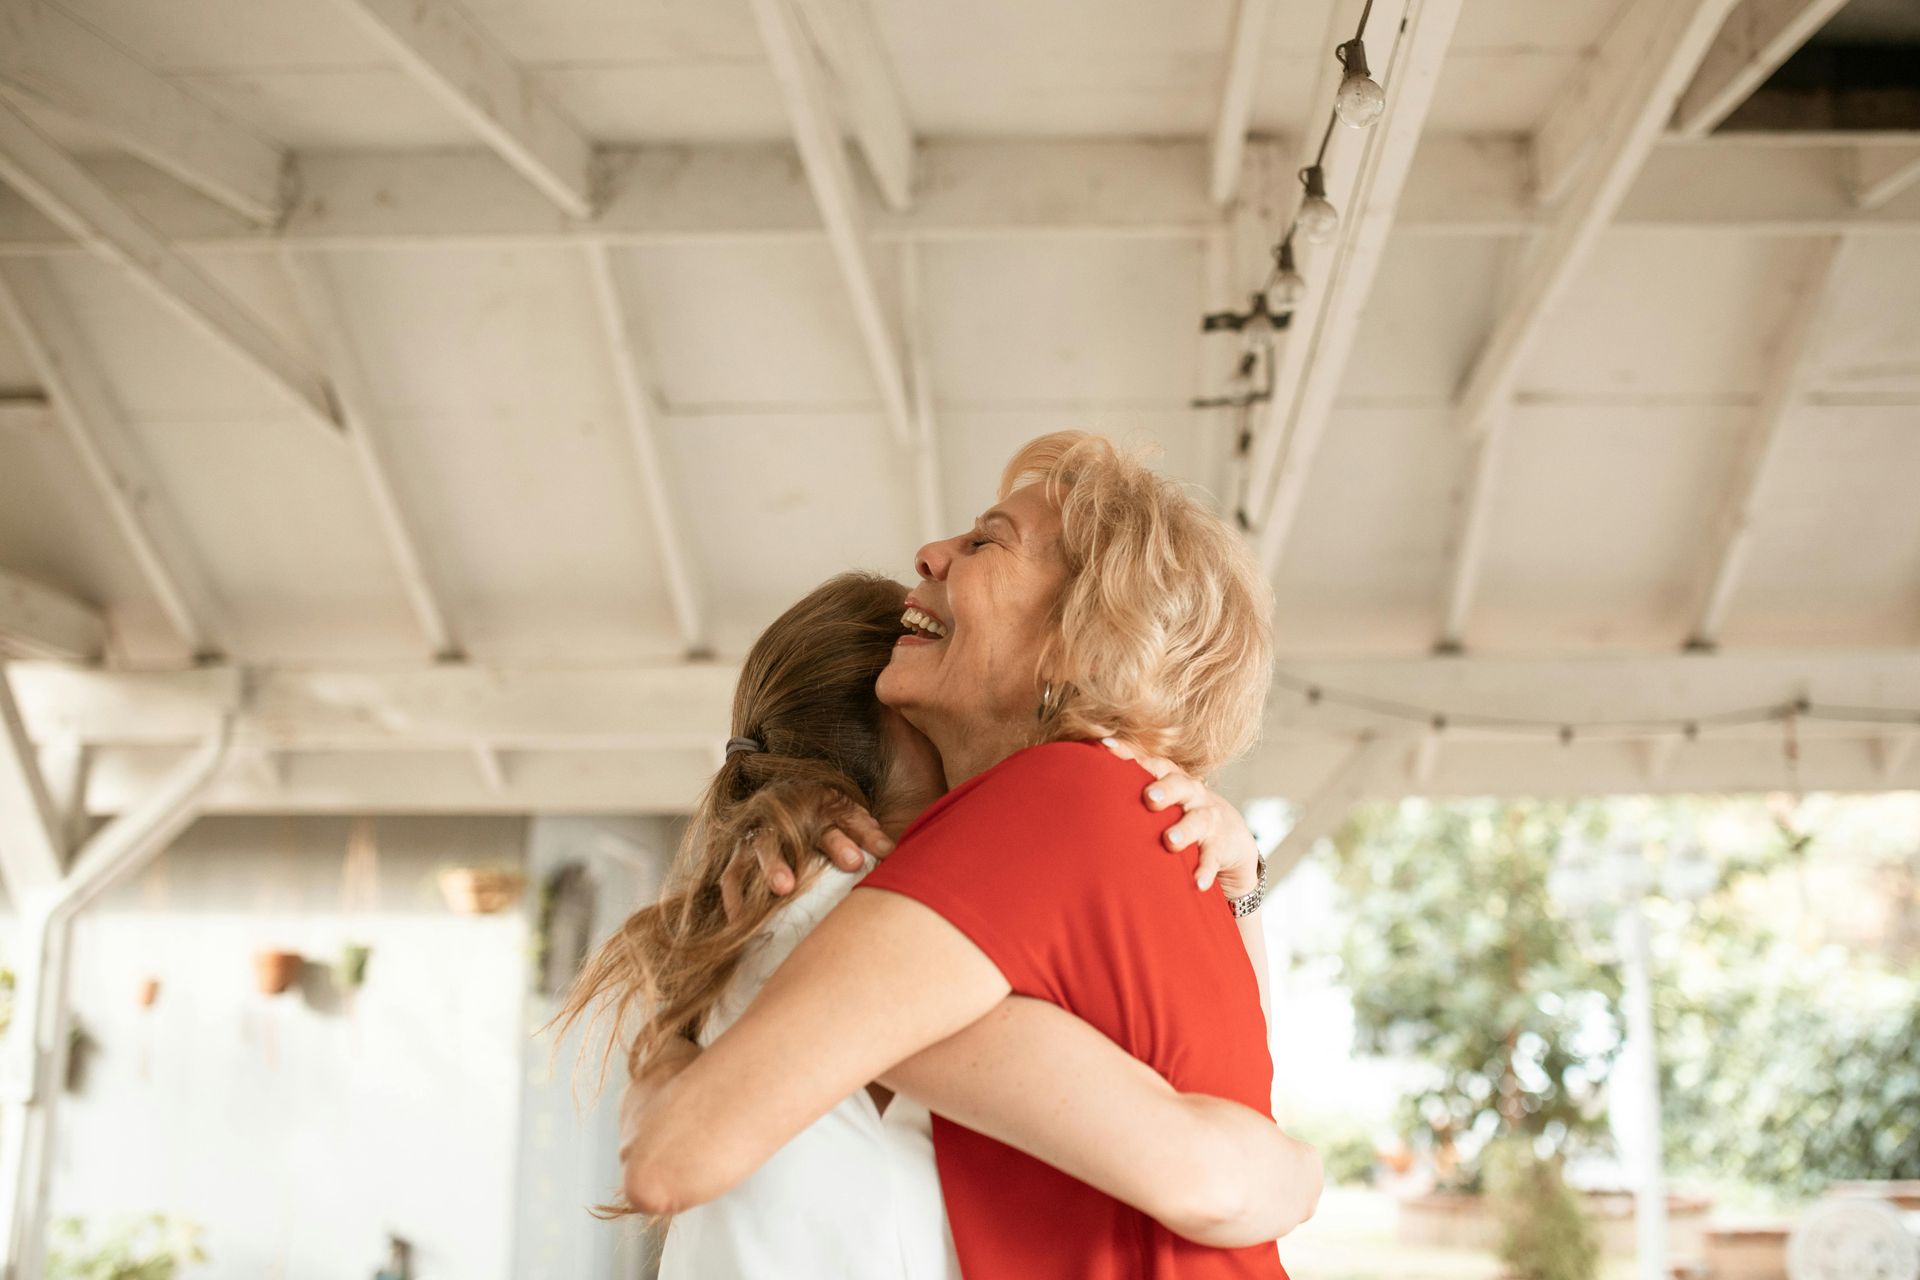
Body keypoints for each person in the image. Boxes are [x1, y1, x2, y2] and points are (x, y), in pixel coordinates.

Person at [622, 431, 1304, 1277]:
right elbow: (1231, 1115)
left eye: (986, 542)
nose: (930, 553)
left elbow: (668, 1156)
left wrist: (688, 1016)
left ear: (1078, 635)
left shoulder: (1052, 799)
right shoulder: (1150, 825)